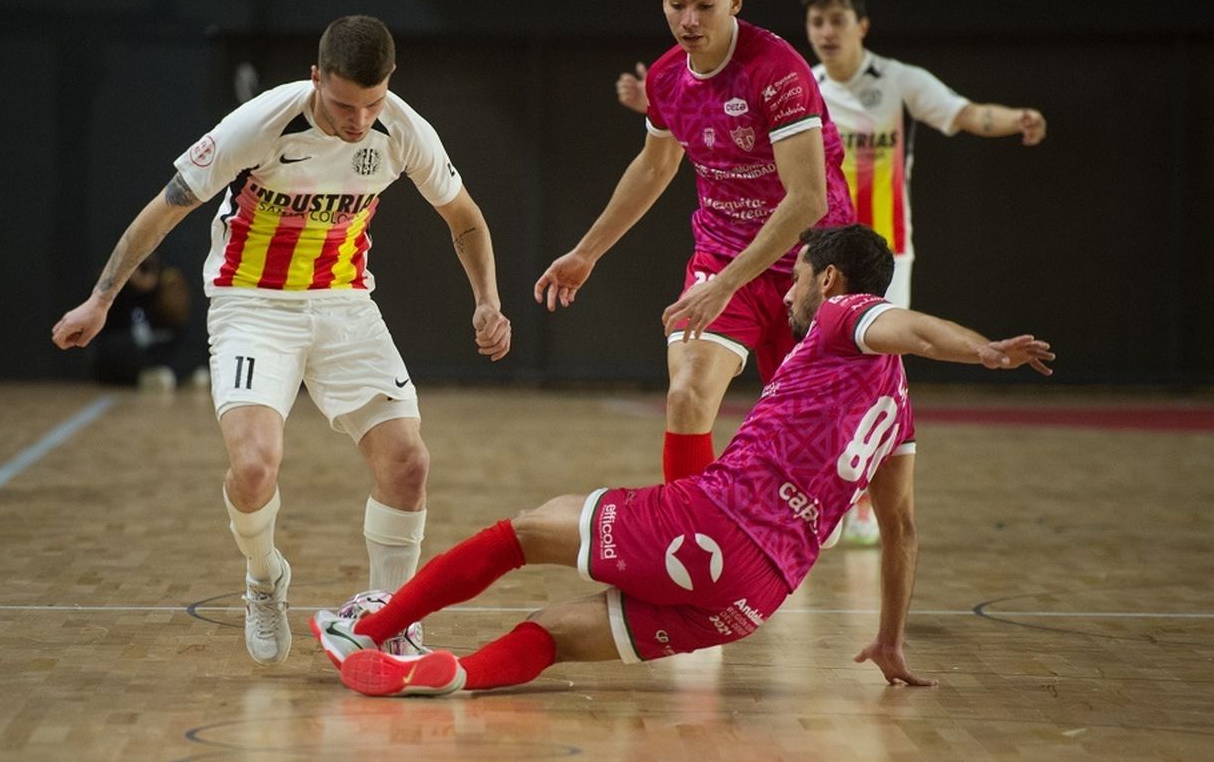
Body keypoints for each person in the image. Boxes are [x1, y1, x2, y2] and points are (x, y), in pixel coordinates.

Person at [312, 224, 1055, 696]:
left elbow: (911, 328)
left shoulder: (841, 315)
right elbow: (902, 531)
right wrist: (889, 637)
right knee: (557, 633)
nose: (788, 296)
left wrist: (982, 350)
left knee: (528, 531)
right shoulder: (898, 412)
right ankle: (456, 676)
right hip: (757, 594)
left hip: (716, 519)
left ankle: (371, 630)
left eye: (796, 277)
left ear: (829, 280)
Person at [53, 15, 512, 666]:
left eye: (372, 104)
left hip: (343, 301)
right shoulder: (262, 123)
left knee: (408, 463)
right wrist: (101, 299)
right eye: (345, 105)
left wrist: (488, 300)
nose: (359, 121)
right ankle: (264, 575)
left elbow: (464, 217)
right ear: (316, 77)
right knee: (253, 469)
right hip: (251, 302)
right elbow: (167, 207)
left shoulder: (403, 129)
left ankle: (392, 619)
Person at [539, 0, 855, 487]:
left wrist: (728, 283)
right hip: (722, 254)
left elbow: (808, 199)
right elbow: (655, 166)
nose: (688, 20)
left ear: (734, 0)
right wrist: (587, 252)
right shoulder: (666, 77)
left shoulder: (776, 71)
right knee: (685, 395)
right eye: (675, 3)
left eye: (704, 5)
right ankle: (688, 531)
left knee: (810, 436)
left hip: (811, 263)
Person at [800, 0, 1047, 309]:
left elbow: (967, 113)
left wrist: (1017, 119)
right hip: (824, 251)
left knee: (884, 341)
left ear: (862, 26)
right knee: (821, 341)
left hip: (887, 250)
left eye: (837, 20)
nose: (827, 33)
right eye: (817, 22)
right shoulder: (805, 87)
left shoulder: (898, 80)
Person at [87, 253, 194, 390]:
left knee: (189, 349)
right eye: (139, 266)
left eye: (147, 266)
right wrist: (123, 281)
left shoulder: (167, 282)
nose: (143, 272)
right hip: (129, 353)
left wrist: (157, 287)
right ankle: (146, 376)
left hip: (157, 350)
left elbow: (179, 324)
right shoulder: (117, 286)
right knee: (114, 349)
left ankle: (171, 375)